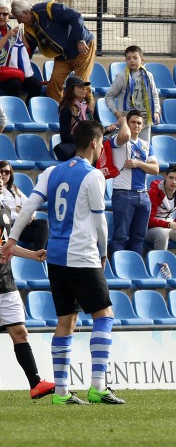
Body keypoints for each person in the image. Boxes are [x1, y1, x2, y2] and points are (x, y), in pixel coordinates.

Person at [2, 120, 128, 405]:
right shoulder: (93, 176)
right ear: (96, 143)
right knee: (104, 315)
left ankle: (60, 392)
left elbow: (28, 208)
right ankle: (98, 386)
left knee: (66, 321)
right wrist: (103, 252)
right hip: (82, 256)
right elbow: (99, 222)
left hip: (56, 258)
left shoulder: (50, 172)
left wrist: (12, 240)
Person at [0, 203, 54, 400]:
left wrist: (32, 254)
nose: (0, 178)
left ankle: (35, 384)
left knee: (20, 332)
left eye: (3, 174)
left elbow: (7, 246)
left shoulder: (5, 209)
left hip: (6, 282)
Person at [11, 0, 94, 104]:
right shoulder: (28, 29)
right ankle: (60, 113)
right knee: (53, 86)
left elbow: (76, 16)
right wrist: (21, 68)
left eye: (19, 19)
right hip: (62, 56)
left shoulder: (47, 9)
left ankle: (88, 115)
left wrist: (80, 40)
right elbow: (28, 51)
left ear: (26, 13)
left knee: (80, 85)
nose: (19, 22)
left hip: (81, 50)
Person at [108, 110, 158, 258]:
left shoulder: (146, 144)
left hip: (143, 195)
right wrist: (122, 121)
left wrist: (138, 163)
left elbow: (155, 169)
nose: (136, 125)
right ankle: (117, 269)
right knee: (120, 236)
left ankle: (134, 269)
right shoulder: (119, 139)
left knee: (138, 238)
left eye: (139, 123)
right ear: (127, 123)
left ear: (142, 126)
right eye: (132, 122)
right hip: (123, 193)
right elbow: (125, 135)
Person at [104, 45, 161, 142]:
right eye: (128, 58)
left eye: (135, 58)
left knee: (144, 150)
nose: (132, 61)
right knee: (127, 150)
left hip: (144, 121)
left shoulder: (148, 76)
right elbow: (109, 96)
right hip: (127, 121)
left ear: (142, 60)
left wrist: (156, 111)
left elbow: (155, 95)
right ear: (125, 60)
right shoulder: (122, 76)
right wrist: (116, 112)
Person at [55, 76, 116, 161]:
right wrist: (85, 139)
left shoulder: (87, 107)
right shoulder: (66, 109)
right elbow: (65, 136)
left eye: (84, 87)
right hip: (78, 149)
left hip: (89, 145)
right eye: (80, 87)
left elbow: (94, 129)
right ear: (71, 89)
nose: (84, 89)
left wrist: (106, 130)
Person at [0, 161, 47, 250]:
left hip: (24, 223)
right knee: (43, 234)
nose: (4, 174)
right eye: (1, 171)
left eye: (7, 172)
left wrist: (30, 215)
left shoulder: (14, 189)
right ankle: (39, 255)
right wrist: (22, 216)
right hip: (13, 227)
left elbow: (30, 204)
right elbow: (5, 213)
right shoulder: (0, 191)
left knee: (43, 224)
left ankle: (40, 253)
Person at [0, 0, 40, 99]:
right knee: (15, 84)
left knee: (35, 84)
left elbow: (26, 54)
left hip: (14, 72)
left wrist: (22, 38)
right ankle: (13, 111)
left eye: (4, 14)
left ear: (8, 16)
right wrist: (7, 36)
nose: (1, 17)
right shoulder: (10, 33)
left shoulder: (14, 31)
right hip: (2, 74)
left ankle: (27, 109)